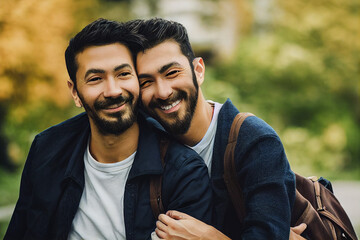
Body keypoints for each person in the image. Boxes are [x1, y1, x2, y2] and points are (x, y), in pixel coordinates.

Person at [4, 18, 213, 240]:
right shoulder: (47, 151)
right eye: (95, 79)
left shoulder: (183, 172)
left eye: (123, 74)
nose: (113, 91)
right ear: (75, 93)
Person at [130, 18, 298, 239]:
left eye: (172, 73)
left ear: (198, 70)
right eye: (146, 82)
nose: (163, 91)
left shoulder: (255, 142)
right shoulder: (142, 141)